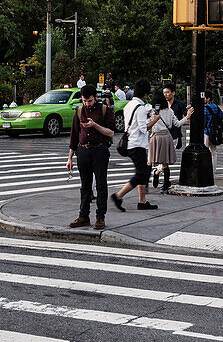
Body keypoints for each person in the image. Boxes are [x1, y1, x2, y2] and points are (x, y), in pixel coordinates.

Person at [66, 83, 115, 230]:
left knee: (101, 185)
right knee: (85, 186)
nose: (87, 104)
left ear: (95, 98)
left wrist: (95, 125)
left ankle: (100, 217)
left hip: (99, 150)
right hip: (83, 151)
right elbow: (74, 136)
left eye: (90, 101)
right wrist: (69, 158)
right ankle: (83, 216)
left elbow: (111, 132)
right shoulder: (79, 111)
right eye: (84, 101)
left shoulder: (105, 110)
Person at [111, 78, 159, 212]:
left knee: (143, 172)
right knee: (141, 174)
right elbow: (144, 129)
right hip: (138, 144)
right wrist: (154, 120)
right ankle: (119, 195)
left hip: (130, 142)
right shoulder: (141, 108)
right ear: (145, 94)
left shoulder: (129, 105)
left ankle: (142, 201)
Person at [149, 97, 191, 193]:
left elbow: (147, 124)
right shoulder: (169, 111)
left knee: (150, 160)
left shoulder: (152, 112)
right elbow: (177, 124)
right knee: (165, 162)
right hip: (167, 137)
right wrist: (187, 117)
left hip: (155, 137)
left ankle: (149, 181)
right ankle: (165, 182)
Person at [203, 88, 223, 171]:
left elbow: (204, 121)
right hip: (214, 133)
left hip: (206, 132)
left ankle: (206, 171)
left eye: (204, 98)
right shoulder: (216, 107)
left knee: (205, 152)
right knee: (213, 152)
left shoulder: (205, 108)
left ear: (208, 98)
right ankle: (213, 171)